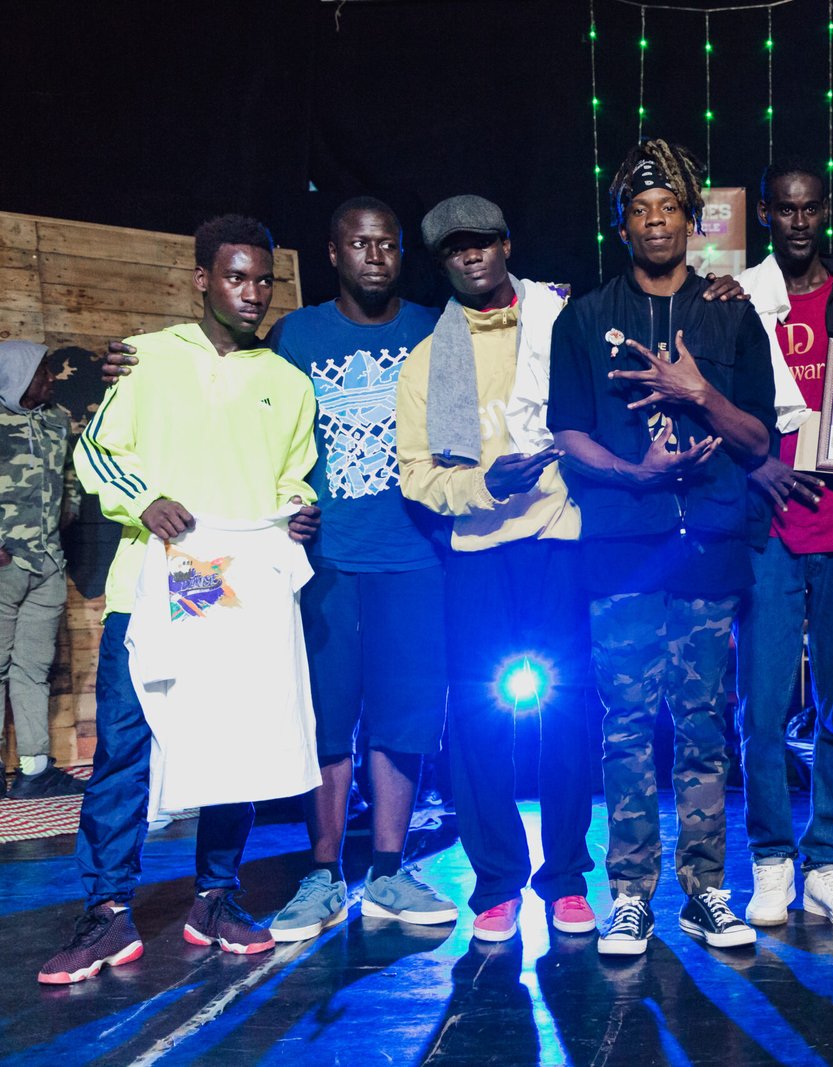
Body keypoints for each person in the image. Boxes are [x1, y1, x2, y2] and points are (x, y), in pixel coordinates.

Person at [103, 198, 461, 941]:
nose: (374, 256)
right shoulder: (294, 336)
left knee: (404, 719)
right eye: (359, 243)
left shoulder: (434, 327)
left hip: (414, 557)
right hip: (315, 564)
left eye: (388, 244)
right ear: (332, 253)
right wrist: (126, 362)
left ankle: (389, 869)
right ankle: (321, 874)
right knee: (320, 720)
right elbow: (230, 382)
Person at [40, 214, 321, 984]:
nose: (252, 292)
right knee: (125, 749)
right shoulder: (148, 360)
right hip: (157, 580)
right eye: (235, 276)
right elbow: (98, 449)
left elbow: (294, 475)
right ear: (203, 279)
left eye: (263, 279)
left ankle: (216, 897)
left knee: (233, 746)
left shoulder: (288, 384)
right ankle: (106, 911)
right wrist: (146, 499)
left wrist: (299, 508)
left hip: (235, 586)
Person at [549, 139, 775, 956]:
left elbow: (758, 439)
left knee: (704, 723)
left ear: (690, 220)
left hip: (708, 543)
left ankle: (706, 890)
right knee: (626, 725)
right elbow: (568, 431)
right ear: (622, 226)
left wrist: (699, 391)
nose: (655, 221)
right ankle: (630, 895)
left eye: (669, 208)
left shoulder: (730, 313)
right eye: (640, 210)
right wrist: (635, 472)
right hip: (622, 548)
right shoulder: (584, 318)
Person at [395, 193, 593, 943]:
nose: (471, 255)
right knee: (479, 722)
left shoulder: (559, 322)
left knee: (568, 713)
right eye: (455, 248)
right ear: (442, 263)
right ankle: (498, 884)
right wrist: (484, 485)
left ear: (507, 244)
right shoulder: (427, 361)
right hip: (478, 551)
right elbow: (417, 474)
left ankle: (567, 878)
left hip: (559, 540)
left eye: (482, 241)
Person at [732, 159, 833, 930]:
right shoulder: (736, 298)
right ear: (766, 213)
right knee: (762, 709)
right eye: (785, 208)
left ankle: (829, 861)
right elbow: (714, 404)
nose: (799, 221)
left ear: (825, 212)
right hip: (768, 527)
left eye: (810, 208)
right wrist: (753, 467)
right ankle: (771, 860)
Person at [0, 340, 81, 800]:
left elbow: (69, 474)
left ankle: (34, 770)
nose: (51, 379)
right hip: (5, 562)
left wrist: (69, 510)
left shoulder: (56, 420)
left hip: (48, 563)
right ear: (17, 376)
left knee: (33, 667)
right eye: (42, 371)